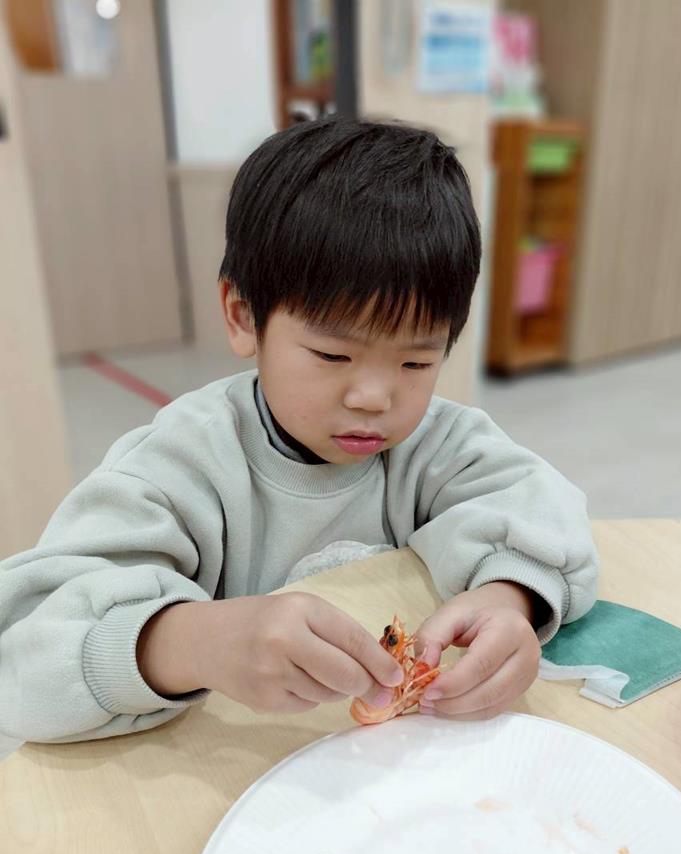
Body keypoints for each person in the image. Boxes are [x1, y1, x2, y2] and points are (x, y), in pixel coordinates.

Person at [0, 118, 598, 744]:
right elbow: (24, 653)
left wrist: (509, 598)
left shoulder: (434, 442)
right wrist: (190, 642)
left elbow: (541, 509)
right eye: (333, 355)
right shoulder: (182, 462)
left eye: (416, 363)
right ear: (243, 316)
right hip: (235, 766)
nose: (374, 398)